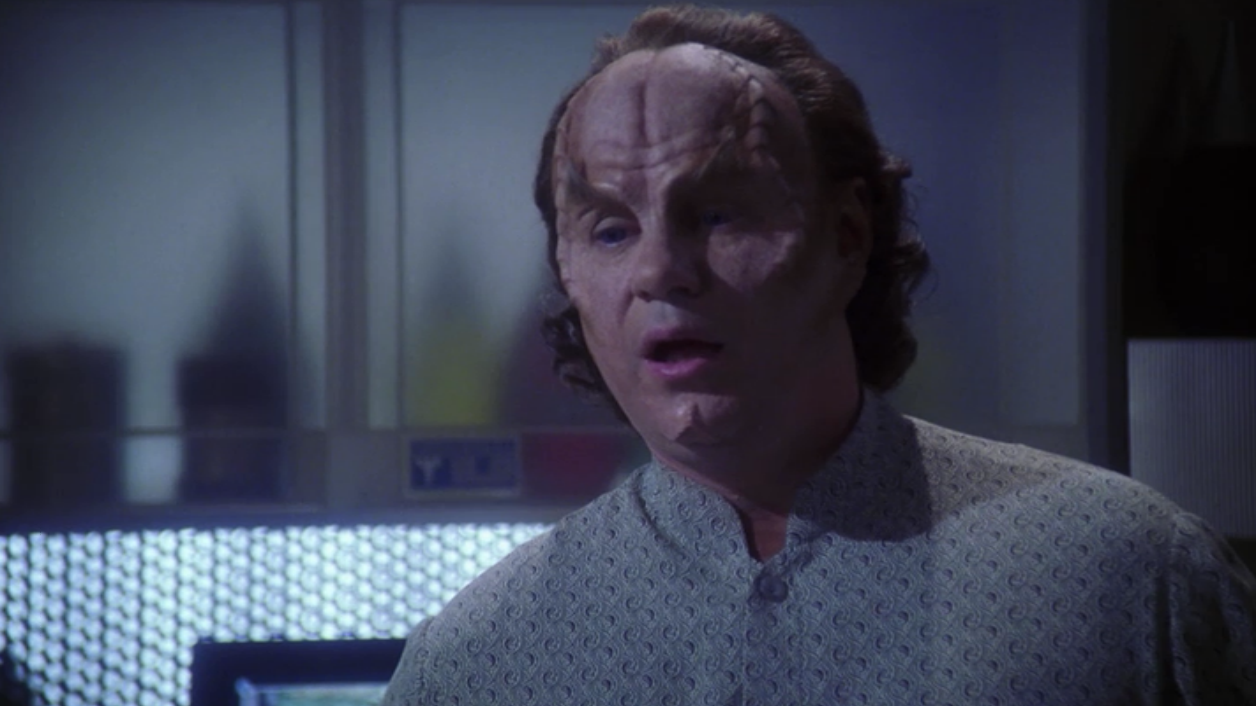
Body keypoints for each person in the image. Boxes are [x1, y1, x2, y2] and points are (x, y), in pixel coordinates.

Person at [384, 5, 1256, 704]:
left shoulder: (1127, 575)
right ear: (568, 273)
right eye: (611, 229)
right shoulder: (474, 663)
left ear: (847, 235)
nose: (659, 271)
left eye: (719, 213)